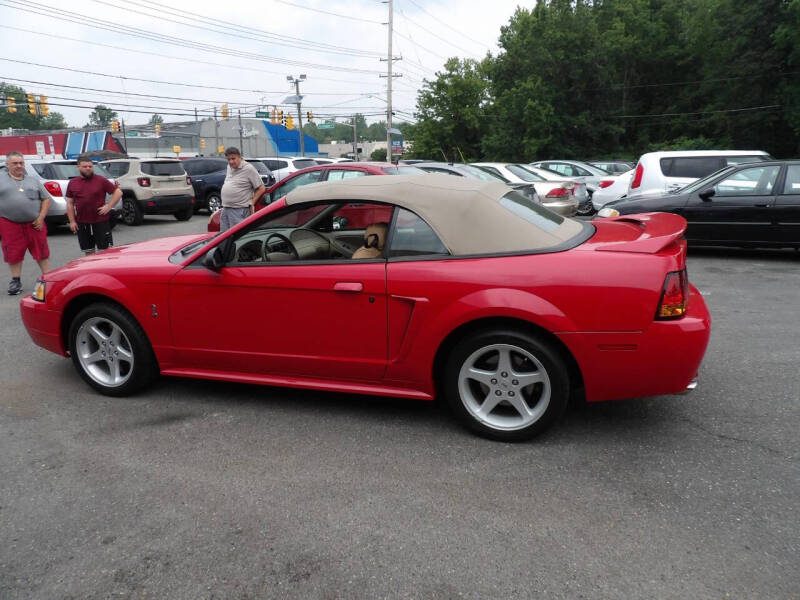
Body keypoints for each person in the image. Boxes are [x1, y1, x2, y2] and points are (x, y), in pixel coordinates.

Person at [0, 151, 51, 295]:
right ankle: (16, 281)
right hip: (9, 223)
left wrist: (41, 217)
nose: (19, 166)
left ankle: (48, 278)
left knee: (41, 250)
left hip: (35, 223)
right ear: (7, 165)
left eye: (21, 163)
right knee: (13, 252)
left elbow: (46, 199)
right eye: (15, 163)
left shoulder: (33, 180)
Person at [65, 155, 122, 256]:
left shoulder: (101, 180)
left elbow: (118, 192)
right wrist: (72, 221)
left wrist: (109, 206)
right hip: (82, 223)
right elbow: (69, 203)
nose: (88, 168)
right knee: (88, 251)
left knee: (105, 252)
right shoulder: (73, 183)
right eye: (85, 166)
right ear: (78, 167)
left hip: (100, 221)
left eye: (90, 166)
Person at [219, 147, 265, 232]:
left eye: (233, 158)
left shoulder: (248, 168)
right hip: (226, 208)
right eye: (228, 159)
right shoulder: (229, 167)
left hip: (239, 209)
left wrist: (252, 202)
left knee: (236, 235)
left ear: (240, 157)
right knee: (224, 236)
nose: (231, 162)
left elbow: (261, 188)